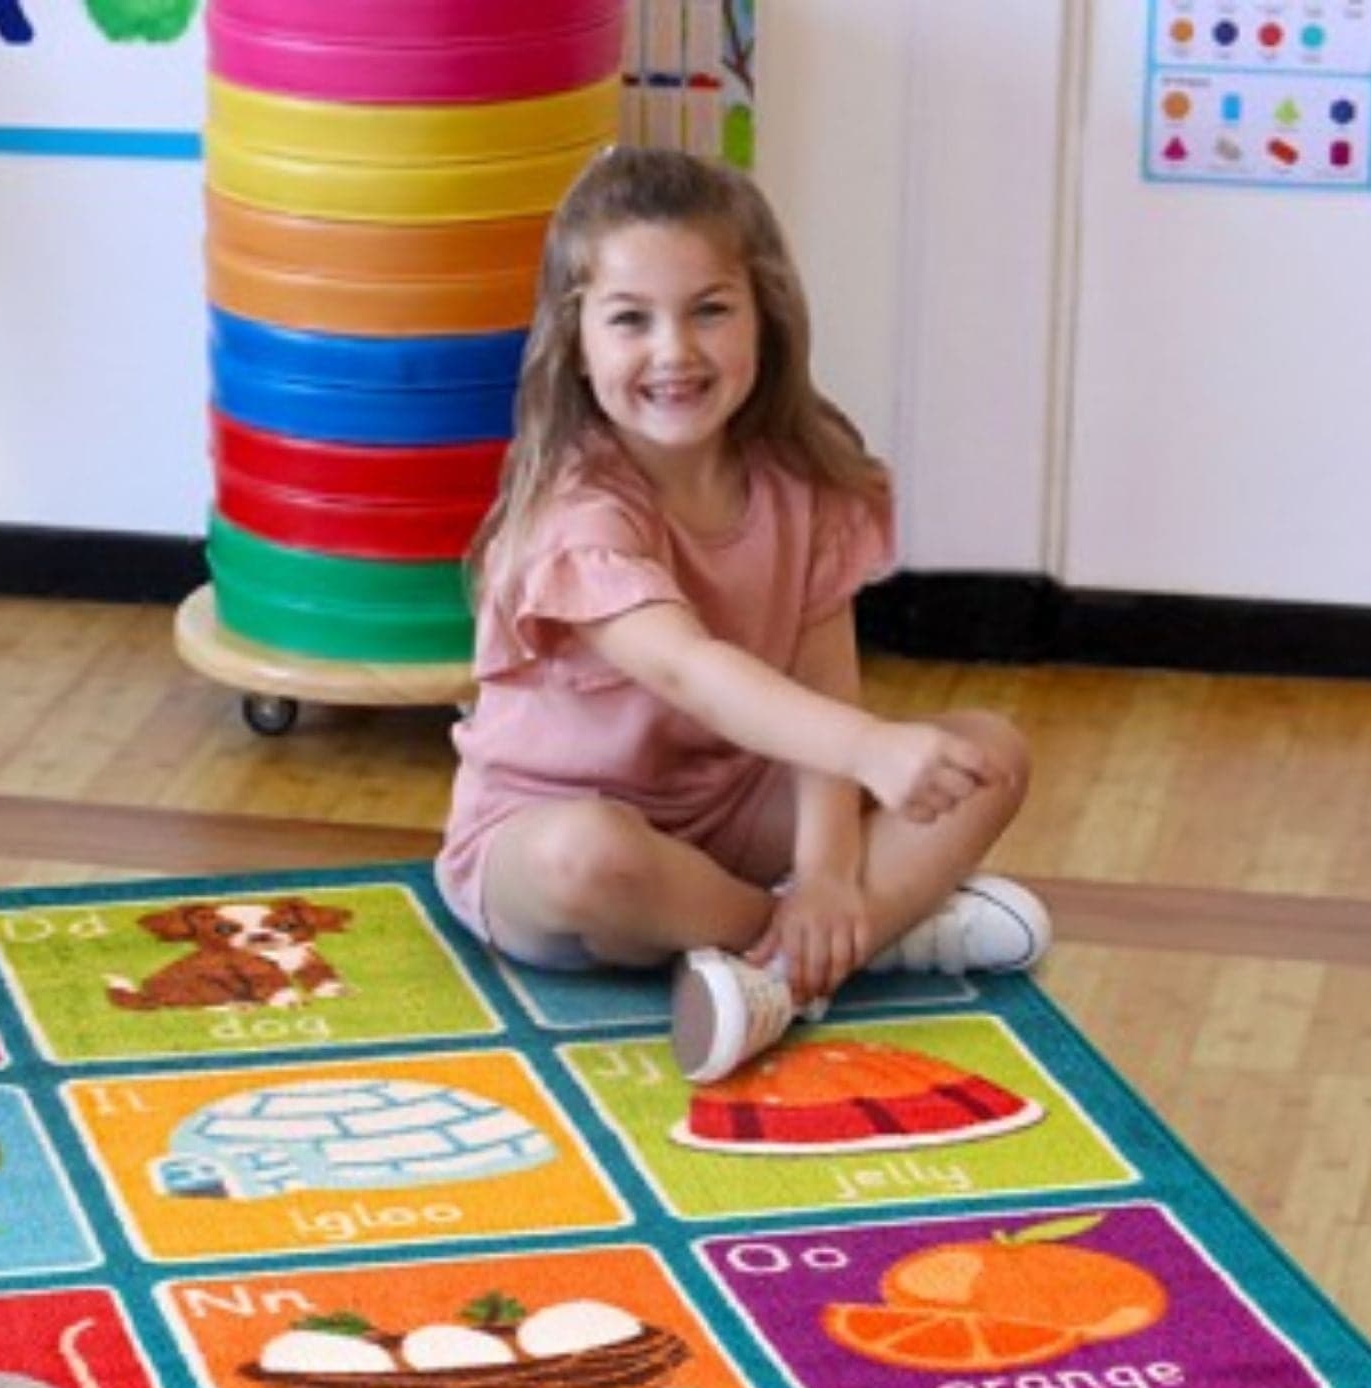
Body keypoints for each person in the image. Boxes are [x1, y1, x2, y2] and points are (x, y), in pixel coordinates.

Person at [435, 146, 1049, 1082]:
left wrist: (835, 871)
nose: (674, 352)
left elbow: (821, 685)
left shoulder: (807, 479)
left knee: (987, 754)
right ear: (578, 339)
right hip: (551, 838)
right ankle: (834, 945)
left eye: (709, 310)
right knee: (584, 857)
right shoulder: (579, 515)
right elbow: (691, 671)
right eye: (631, 319)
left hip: (729, 813)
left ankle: (803, 950)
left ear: (765, 314)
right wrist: (870, 753)